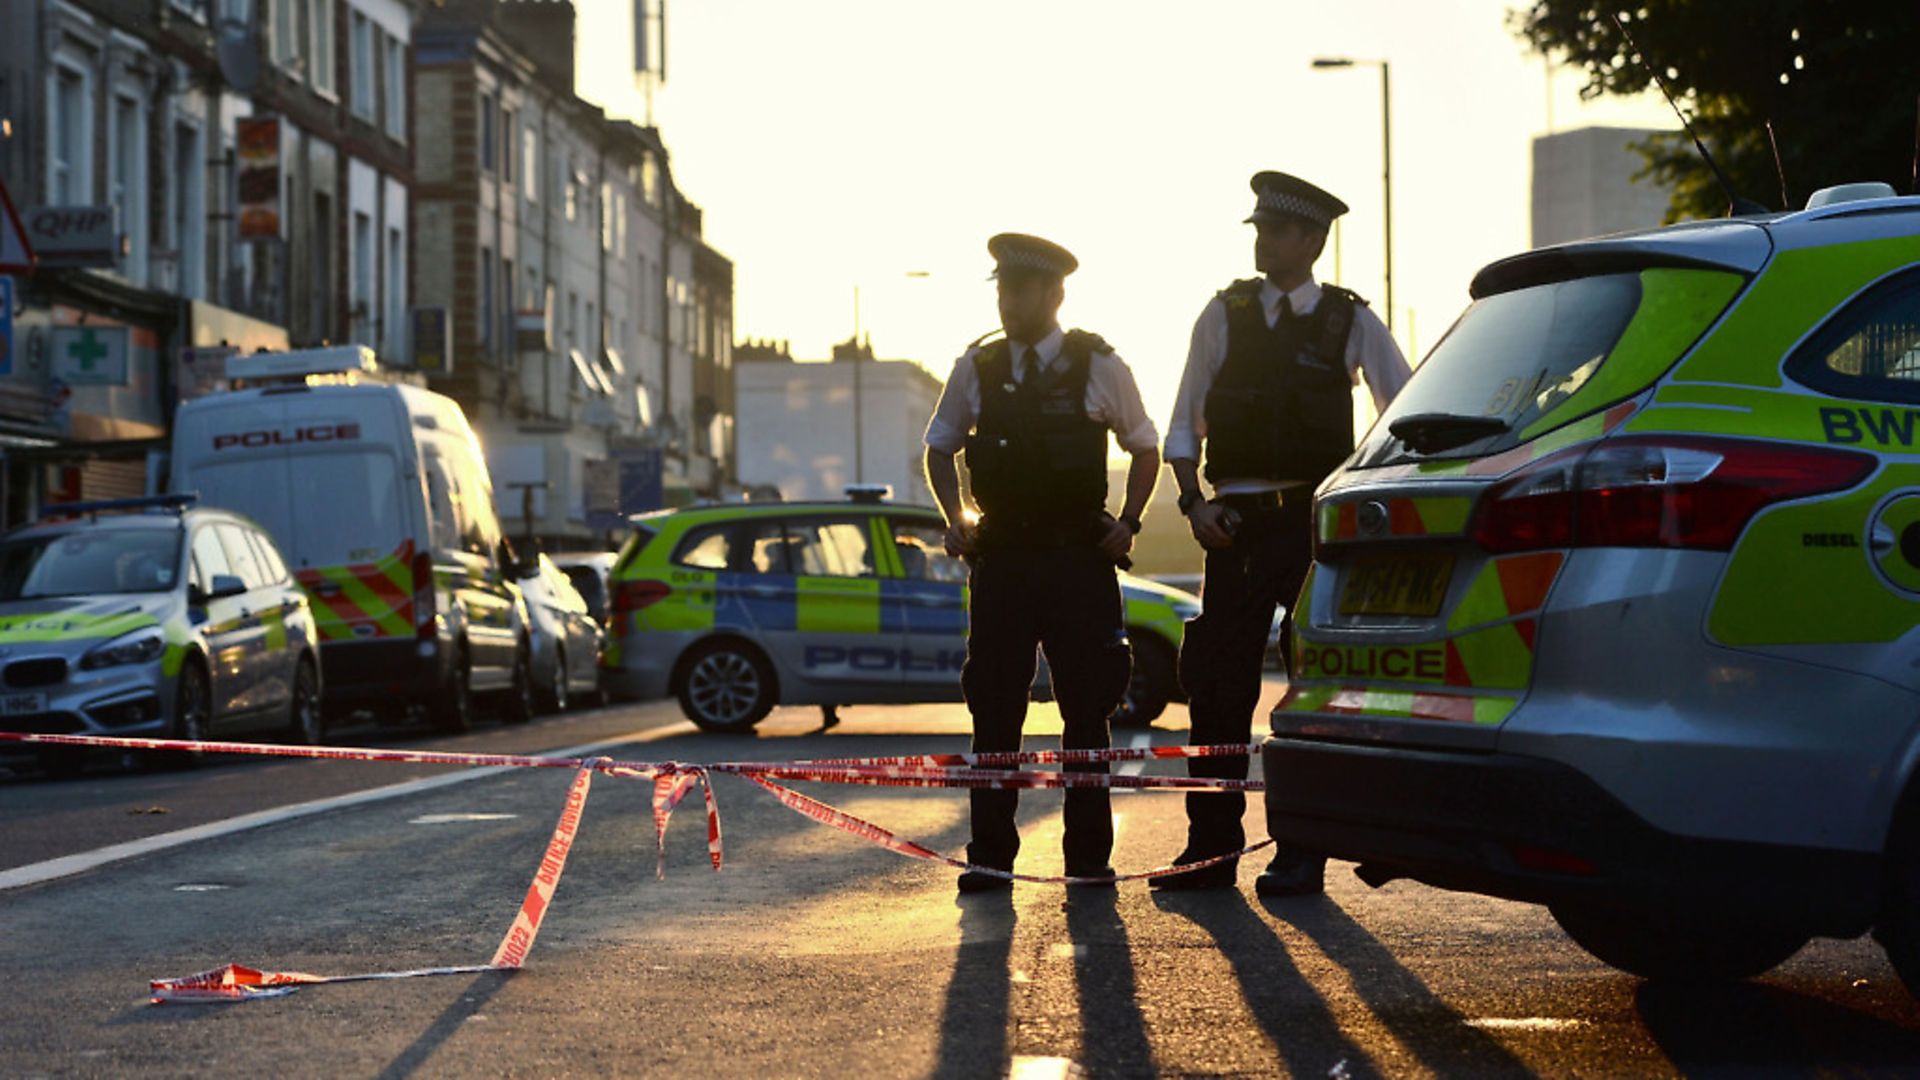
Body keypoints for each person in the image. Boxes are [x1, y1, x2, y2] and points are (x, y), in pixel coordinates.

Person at [1153, 172, 1411, 895]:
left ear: (1311, 240)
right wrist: (1191, 502)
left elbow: (1402, 410)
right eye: (1259, 229)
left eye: (1275, 230)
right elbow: (1183, 421)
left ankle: (1302, 852)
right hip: (1231, 527)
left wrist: (1364, 502)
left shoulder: (1347, 320)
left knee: (1312, 694)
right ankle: (1209, 850)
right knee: (1218, 690)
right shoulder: (1224, 312)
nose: (1262, 240)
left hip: (1310, 527)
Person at [924, 232, 1161, 893]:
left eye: (1019, 290)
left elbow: (1145, 447)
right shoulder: (979, 366)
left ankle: (1088, 860)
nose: (1007, 301)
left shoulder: (1097, 363)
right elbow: (939, 447)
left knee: (1087, 711)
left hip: (1076, 561)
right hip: (1003, 560)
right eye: (1000, 289)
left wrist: (1130, 523)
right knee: (994, 711)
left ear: (1053, 295)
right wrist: (957, 520)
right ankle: (989, 857)